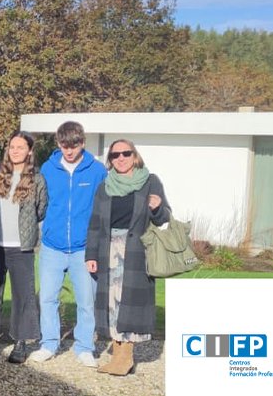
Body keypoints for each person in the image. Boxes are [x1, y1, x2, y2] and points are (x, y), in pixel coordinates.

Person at [85, 139, 170, 376]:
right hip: (108, 250)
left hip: (136, 252)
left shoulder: (150, 182)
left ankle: (125, 358)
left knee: (129, 303)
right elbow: (95, 223)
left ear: (135, 155)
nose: (120, 158)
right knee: (111, 303)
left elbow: (163, 218)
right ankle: (118, 356)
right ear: (110, 160)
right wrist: (91, 254)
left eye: (125, 153)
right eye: (115, 155)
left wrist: (157, 208)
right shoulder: (105, 186)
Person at [30, 121, 108, 366]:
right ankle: (49, 344)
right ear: (58, 143)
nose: (69, 150)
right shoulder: (48, 168)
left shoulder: (97, 171)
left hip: (83, 248)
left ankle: (84, 346)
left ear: (82, 143)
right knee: (47, 299)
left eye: (74, 145)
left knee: (86, 301)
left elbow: (104, 208)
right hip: (52, 246)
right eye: (64, 145)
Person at [0, 131, 48, 364]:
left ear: (29, 151)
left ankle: (20, 342)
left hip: (21, 247)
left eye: (20, 147)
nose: (15, 151)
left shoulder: (37, 178)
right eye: (12, 146)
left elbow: (41, 210)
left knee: (22, 295)